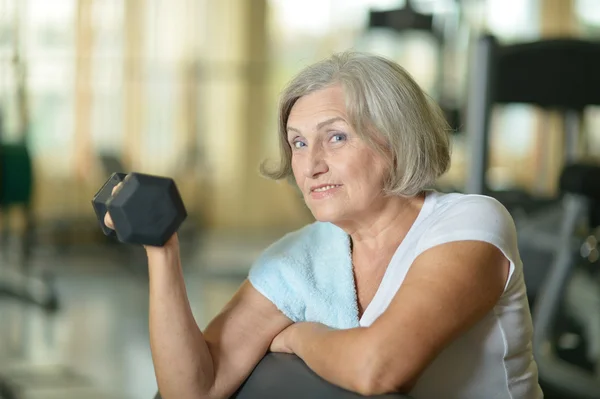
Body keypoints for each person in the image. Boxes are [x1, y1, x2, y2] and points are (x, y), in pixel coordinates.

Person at [106, 52, 542, 399]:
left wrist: (298, 336)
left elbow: (379, 369)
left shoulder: (469, 222)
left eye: (336, 137)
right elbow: (192, 390)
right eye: (298, 142)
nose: (310, 165)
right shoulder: (303, 256)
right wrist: (162, 250)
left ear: (396, 138)